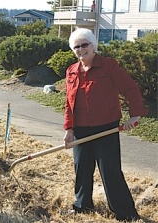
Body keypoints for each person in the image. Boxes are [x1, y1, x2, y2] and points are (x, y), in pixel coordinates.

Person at [63, 28, 148, 222]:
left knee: (110, 170)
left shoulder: (108, 66)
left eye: (85, 44)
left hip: (106, 128)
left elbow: (130, 88)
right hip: (81, 130)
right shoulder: (72, 71)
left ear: (93, 45)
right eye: (77, 46)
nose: (81, 49)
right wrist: (69, 129)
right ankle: (82, 206)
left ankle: (126, 213)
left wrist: (134, 115)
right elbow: (69, 102)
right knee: (81, 169)